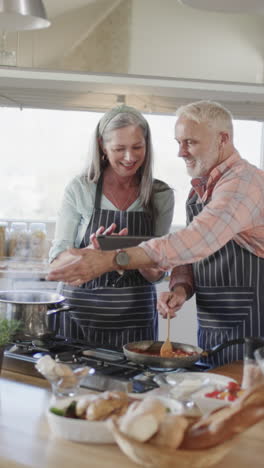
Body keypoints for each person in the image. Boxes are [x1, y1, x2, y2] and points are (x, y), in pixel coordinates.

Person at [48, 100, 264, 365]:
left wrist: (112, 258)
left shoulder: (243, 184)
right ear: (103, 148)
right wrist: (180, 287)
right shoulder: (200, 189)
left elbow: (195, 240)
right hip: (214, 320)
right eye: (178, 142)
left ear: (223, 139)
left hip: (253, 322)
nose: (181, 152)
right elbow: (189, 257)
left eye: (190, 142)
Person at [49, 104, 174, 348]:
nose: (130, 157)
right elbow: (56, 261)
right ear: (101, 146)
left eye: (137, 147)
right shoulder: (80, 188)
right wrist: (89, 253)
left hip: (136, 319)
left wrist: (139, 260)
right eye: (119, 149)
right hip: (78, 315)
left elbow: (158, 271)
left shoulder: (160, 194)